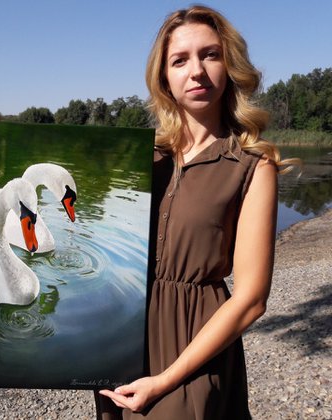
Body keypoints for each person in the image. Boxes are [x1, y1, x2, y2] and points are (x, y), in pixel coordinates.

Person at [96, 5, 296, 419]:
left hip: (193, 353)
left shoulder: (253, 166)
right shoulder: (139, 159)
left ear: (229, 64)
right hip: (121, 347)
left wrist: (165, 380)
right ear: (164, 77)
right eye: (180, 60)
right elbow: (70, 222)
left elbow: (251, 300)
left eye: (210, 54)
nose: (197, 71)